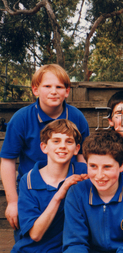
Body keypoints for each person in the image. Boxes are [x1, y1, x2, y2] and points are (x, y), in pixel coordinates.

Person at [0, 64, 89, 238]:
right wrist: (12, 201)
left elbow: (82, 157)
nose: (53, 91)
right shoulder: (21, 118)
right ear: (35, 90)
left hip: (68, 187)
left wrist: (84, 185)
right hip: (34, 192)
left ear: (67, 91)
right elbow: (8, 160)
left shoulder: (77, 117)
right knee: (32, 239)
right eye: (47, 86)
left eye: (59, 87)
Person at [63, 130, 123, 252]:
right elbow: (75, 243)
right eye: (93, 166)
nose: (99, 175)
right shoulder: (76, 193)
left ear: (122, 165)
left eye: (107, 167)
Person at [11, 119, 88, 252]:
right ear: (44, 147)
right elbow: (35, 234)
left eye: (69, 141)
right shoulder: (28, 181)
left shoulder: (83, 172)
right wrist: (60, 194)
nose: (62, 146)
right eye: (56, 141)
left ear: (76, 149)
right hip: (32, 250)